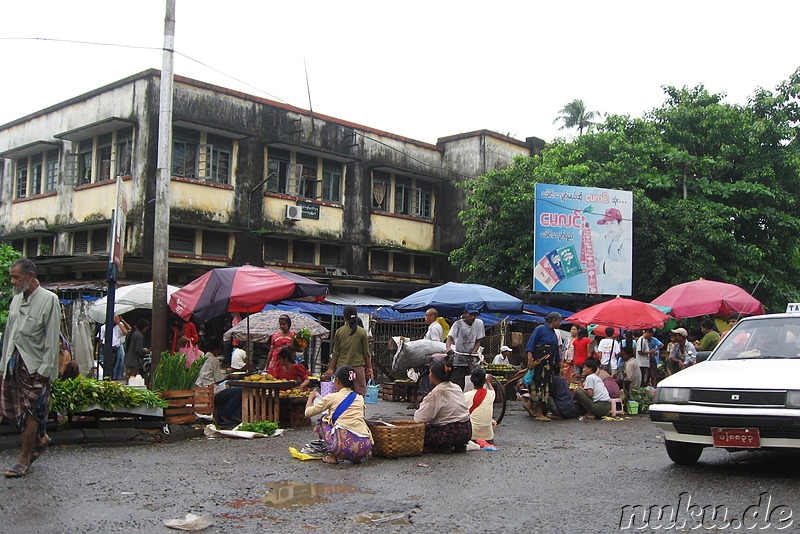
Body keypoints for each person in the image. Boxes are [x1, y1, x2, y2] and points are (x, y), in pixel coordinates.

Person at [0, 258, 61, 478]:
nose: (12, 281)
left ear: (30, 276)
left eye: (16, 277)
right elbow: (9, 334)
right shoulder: (16, 300)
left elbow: (52, 338)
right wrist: (2, 365)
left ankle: (23, 460)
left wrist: (45, 370)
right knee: (12, 410)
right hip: (13, 362)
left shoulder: (49, 300)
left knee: (30, 413)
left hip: (34, 365)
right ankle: (41, 439)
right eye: (11, 276)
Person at [305, 365, 373, 464]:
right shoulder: (359, 398)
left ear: (337, 381)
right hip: (364, 447)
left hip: (343, 447)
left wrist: (310, 398)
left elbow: (308, 413)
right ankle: (356, 458)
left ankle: (332, 457)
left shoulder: (332, 397)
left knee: (323, 420)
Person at [414, 360, 472, 453]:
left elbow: (421, 418)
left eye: (430, 373)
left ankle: (441, 446)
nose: (429, 375)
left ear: (435, 377)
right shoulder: (456, 387)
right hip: (466, 432)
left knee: (421, 430)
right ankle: (457, 445)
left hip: (447, 435)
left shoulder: (437, 393)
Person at [325, 306, 373, 396]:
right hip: (357, 368)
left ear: (344, 317)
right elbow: (366, 353)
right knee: (358, 394)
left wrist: (331, 368)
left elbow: (336, 353)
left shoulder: (339, 331)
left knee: (342, 394)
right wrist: (369, 368)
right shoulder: (362, 332)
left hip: (342, 369)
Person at [523, 312, 562, 421]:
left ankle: (531, 405)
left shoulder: (554, 333)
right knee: (538, 385)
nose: (560, 323)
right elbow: (530, 345)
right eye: (559, 321)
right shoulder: (540, 329)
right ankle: (539, 413)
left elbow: (556, 351)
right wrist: (530, 359)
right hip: (539, 363)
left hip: (549, 365)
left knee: (546, 386)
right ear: (553, 321)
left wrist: (560, 365)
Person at [592, 207, 632, 295]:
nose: (609, 227)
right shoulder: (608, 239)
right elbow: (598, 237)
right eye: (607, 224)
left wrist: (603, 266)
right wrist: (584, 231)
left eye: (612, 223)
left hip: (622, 293)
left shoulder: (627, 243)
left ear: (620, 224)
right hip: (606, 292)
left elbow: (629, 270)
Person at [445, 304, 485, 390]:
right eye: (471, 314)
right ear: (465, 313)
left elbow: (479, 340)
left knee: (473, 382)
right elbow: (450, 337)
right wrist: (448, 348)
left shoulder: (479, 323)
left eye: (475, 315)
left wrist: (474, 351)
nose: (473, 317)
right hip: (459, 356)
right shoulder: (458, 324)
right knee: (457, 384)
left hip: (472, 358)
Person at [463, 367, 495, 443]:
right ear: (484, 381)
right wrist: (489, 382)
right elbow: (492, 390)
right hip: (488, 437)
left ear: (471, 380)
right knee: (494, 423)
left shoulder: (466, 395)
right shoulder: (490, 394)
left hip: (471, 436)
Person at [99, 315, 129, 380]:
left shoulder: (119, 326)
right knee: (108, 363)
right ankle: (108, 377)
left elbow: (126, 331)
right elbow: (100, 340)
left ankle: (116, 377)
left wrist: (120, 322)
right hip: (107, 347)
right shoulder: (104, 327)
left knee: (118, 362)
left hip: (116, 347)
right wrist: (97, 351)